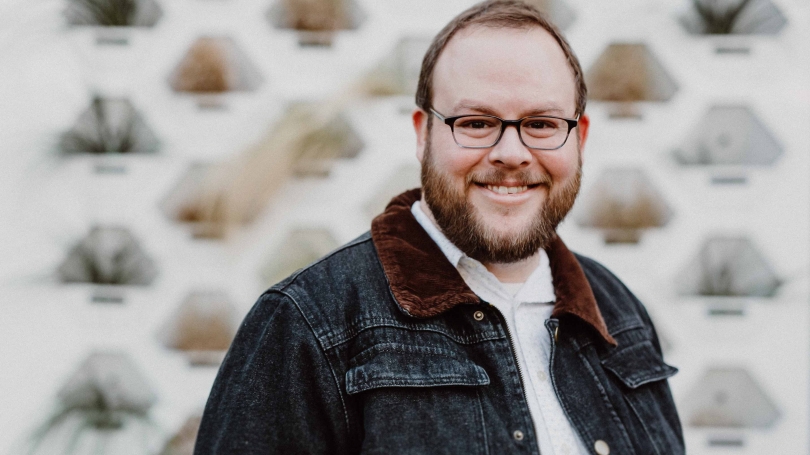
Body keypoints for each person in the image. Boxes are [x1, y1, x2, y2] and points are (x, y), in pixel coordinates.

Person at [194, 1, 684, 454]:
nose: (511, 154)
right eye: (474, 123)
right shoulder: (309, 323)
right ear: (422, 134)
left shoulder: (620, 314)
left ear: (579, 138)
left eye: (541, 124)